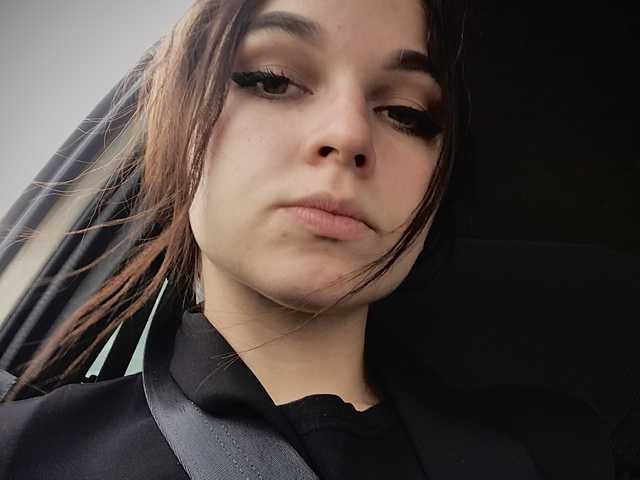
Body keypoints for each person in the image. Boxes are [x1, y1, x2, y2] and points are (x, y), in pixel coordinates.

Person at [0, 0, 614, 479]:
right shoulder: (25, 454)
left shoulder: (559, 454)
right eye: (272, 80)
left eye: (406, 113)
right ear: (179, 125)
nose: (347, 134)